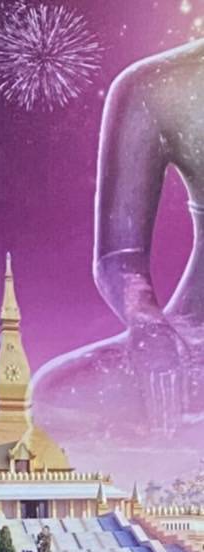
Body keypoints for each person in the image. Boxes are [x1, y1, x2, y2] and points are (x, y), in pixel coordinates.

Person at [34, 40, 204, 442]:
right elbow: (119, 257)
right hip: (196, 329)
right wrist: (150, 328)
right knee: (56, 394)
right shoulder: (155, 86)